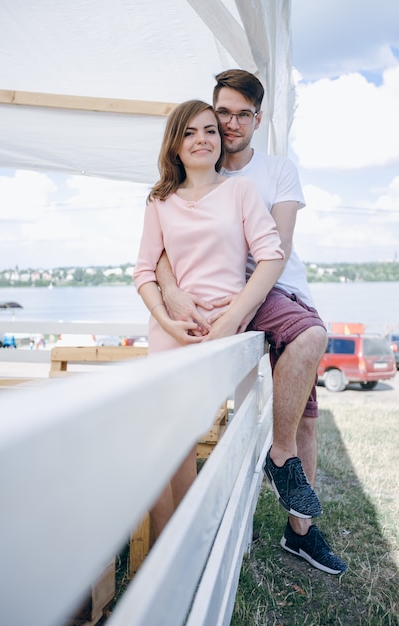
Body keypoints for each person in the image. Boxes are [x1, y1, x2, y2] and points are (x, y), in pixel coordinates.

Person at [155, 70, 347, 574]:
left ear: (258, 120)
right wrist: (172, 291)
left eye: (243, 115)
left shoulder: (277, 171)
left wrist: (238, 311)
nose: (230, 124)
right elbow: (162, 242)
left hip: (273, 292)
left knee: (305, 417)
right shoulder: (194, 170)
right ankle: (253, 489)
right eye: (224, 114)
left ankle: (299, 528)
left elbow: (274, 252)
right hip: (216, 297)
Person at [133, 99, 285, 541]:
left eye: (210, 131)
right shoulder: (160, 201)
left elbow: (271, 255)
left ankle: (195, 538)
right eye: (190, 132)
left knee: (200, 436)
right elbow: (144, 270)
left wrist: (234, 317)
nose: (202, 139)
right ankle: (170, 544)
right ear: (175, 146)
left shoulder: (240, 192)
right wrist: (165, 315)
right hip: (170, 335)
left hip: (224, 336)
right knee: (166, 447)